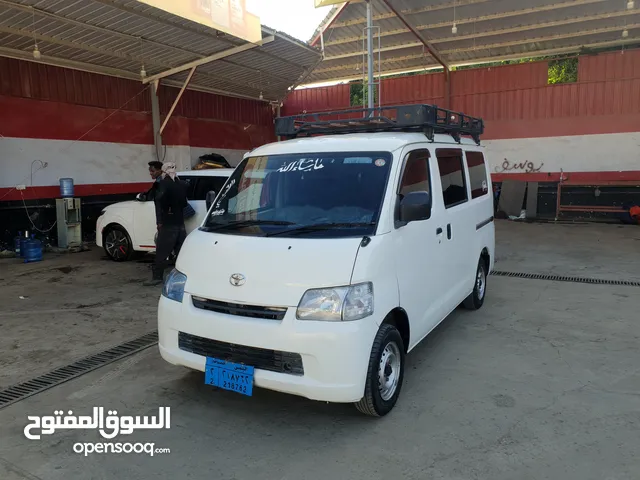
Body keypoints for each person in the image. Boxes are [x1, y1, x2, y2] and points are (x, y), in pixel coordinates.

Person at [144, 162, 188, 286]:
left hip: (168, 223)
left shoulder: (162, 184)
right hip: (180, 223)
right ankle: (184, 277)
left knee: (162, 251)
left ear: (163, 171)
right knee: (180, 252)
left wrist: (159, 222)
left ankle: (157, 277)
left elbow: (159, 202)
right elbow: (184, 204)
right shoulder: (182, 184)